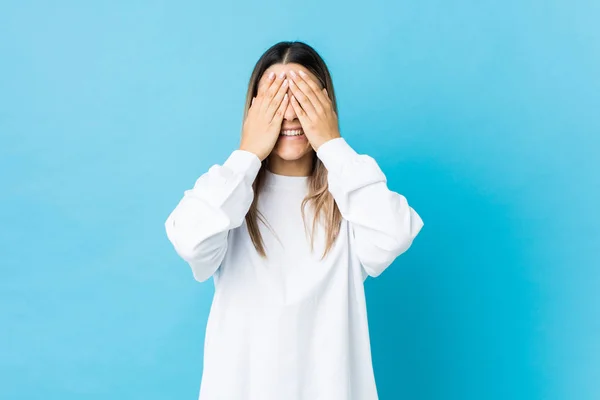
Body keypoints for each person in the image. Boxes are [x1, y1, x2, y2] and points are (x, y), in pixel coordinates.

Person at [164, 41, 424, 400]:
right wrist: (247, 153)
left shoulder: (349, 195)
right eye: (275, 99)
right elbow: (190, 240)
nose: (289, 114)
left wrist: (332, 145)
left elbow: (395, 232)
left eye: (301, 97)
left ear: (325, 105)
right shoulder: (229, 197)